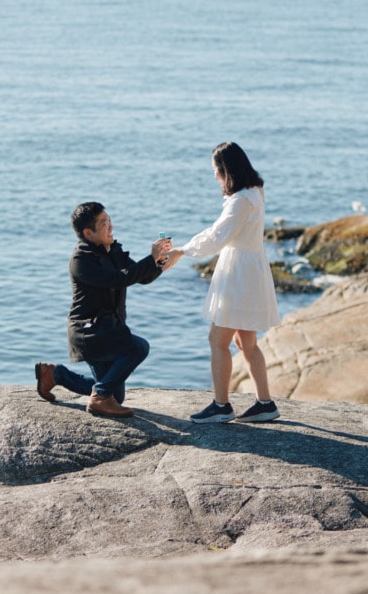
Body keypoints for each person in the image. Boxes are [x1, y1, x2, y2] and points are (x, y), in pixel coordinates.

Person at [166, 142, 281, 424]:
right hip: (251, 269)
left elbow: (218, 236)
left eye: (216, 171)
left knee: (217, 340)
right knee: (247, 343)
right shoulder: (255, 192)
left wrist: (182, 250)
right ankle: (265, 404)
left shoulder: (241, 200)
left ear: (225, 170)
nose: (215, 177)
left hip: (239, 274)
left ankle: (221, 405)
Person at [35, 202, 171, 419]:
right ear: (88, 233)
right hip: (90, 332)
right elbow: (117, 280)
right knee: (138, 347)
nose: (111, 226)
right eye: (104, 223)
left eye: (110, 220)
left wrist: (159, 261)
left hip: (110, 328)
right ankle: (99, 396)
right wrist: (150, 259)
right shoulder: (81, 259)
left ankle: (55, 374)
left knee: (115, 395)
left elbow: (142, 277)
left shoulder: (113, 250)